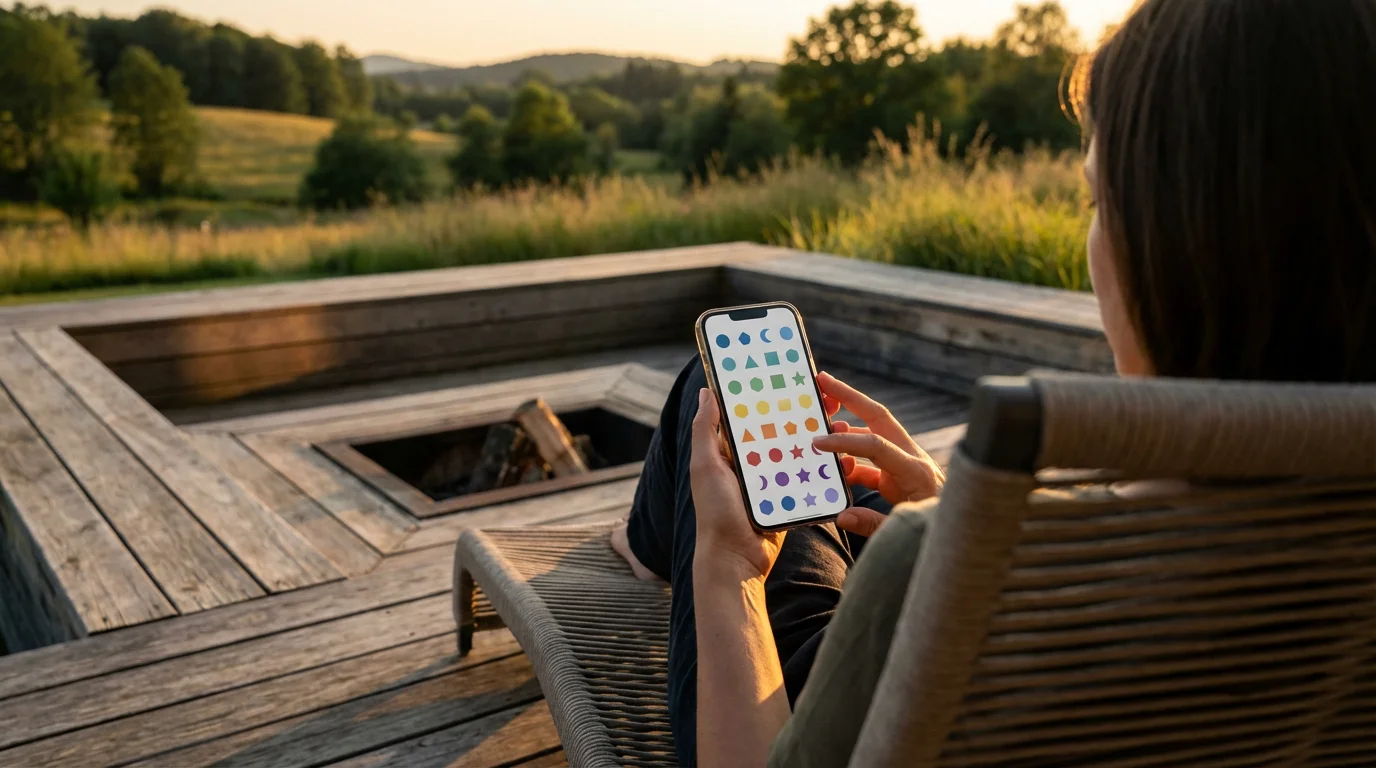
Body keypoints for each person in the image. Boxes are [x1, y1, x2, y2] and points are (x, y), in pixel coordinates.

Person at [612, 0, 1376, 764]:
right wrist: (958, 520)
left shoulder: (973, 565)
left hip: (865, 702)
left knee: (711, 418)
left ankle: (658, 543)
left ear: (1176, 252)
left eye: (1096, 199)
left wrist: (724, 569)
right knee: (845, 473)